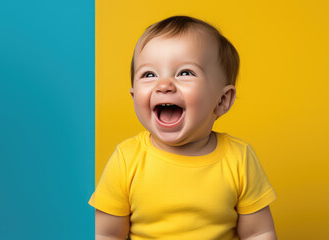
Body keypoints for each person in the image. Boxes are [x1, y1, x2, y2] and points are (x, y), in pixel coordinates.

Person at [89, 15, 277, 240]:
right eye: (149, 74)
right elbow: (107, 234)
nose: (164, 85)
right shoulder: (126, 160)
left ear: (222, 100)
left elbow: (258, 232)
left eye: (185, 73)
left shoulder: (239, 159)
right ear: (133, 97)